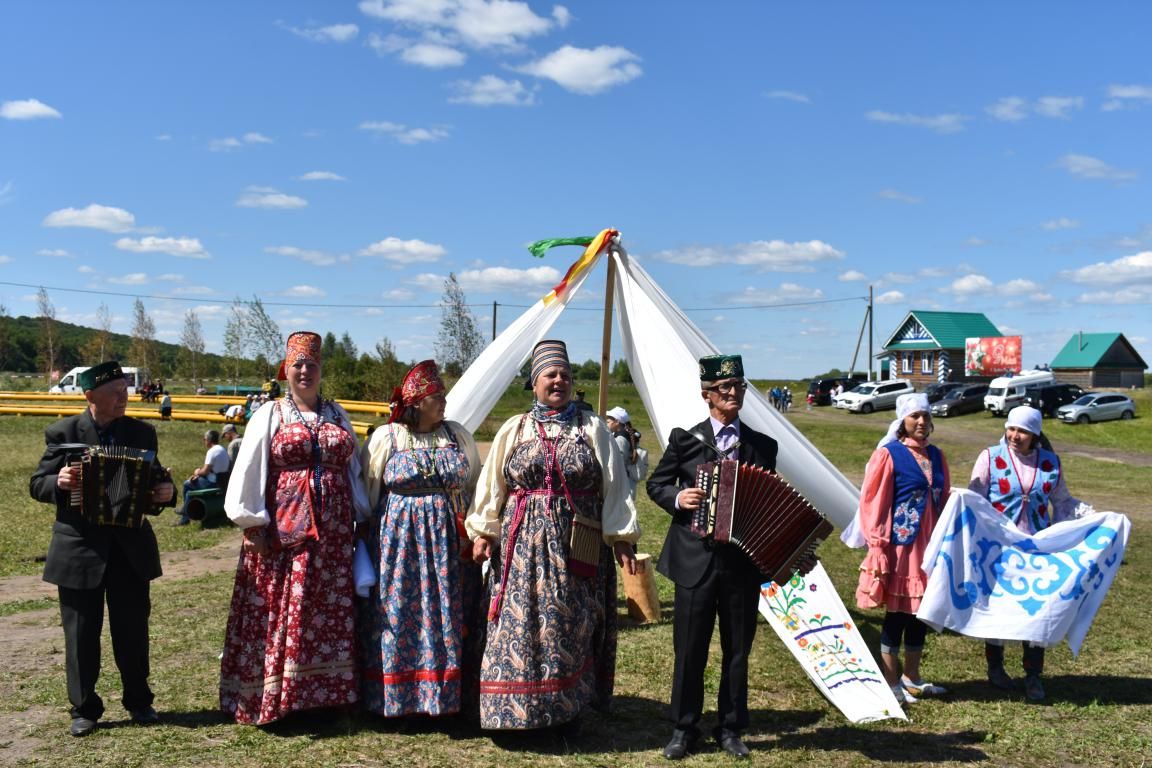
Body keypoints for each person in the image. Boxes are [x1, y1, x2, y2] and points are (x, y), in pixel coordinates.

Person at [467, 339, 639, 732]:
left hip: (577, 542)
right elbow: (493, 484)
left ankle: (566, 713)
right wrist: (483, 531)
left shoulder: (593, 428)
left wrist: (622, 537)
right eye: (550, 374)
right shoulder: (516, 428)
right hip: (520, 545)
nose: (559, 380)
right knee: (519, 622)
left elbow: (615, 486)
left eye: (564, 374)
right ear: (534, 383)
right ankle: (510, 712)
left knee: (571, 622)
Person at [219, 331, 369, 725]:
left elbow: (354, 471)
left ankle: (327, 699)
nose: (305, 371)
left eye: (312, 365)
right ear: (287, 370)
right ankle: (281, 699)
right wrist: (252, 523)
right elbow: (250, 467)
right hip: (285, 536)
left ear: (321, 370)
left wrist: (362, 517)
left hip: (333, 537)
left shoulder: (337, 415)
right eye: (298, 365)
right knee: (285, 608)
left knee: (329, 611)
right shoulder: (272, 414)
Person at [28, 361, 176, 737]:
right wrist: (58, 481)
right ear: (90, 395)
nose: (124, 398)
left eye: (126, 390)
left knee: (132, 631)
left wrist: (165, 494)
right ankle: (84, 708)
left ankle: (140, 701)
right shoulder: (63, 432)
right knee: (80, 635)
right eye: (115, 392)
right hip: (79, 549)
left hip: (130, 550)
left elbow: (153, 481)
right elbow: (37, 483)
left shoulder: (142, 433)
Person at [646, 353, 779, 760]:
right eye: (725, 388)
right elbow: (656, 484)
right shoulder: (686, 440)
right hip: (695, 562)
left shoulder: (762, 446)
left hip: (740, 563)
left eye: (739, 386)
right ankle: (684, 728)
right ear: (707, 395)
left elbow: (770, 500)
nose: (734, 393)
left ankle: (731, 727)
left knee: (738, 649)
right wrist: (677, 498)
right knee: (690, 649)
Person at [359, 360, 482, 718]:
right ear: (416, 403)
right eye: (436, 396)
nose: (443, 401)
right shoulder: (388, 437)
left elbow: (473, 481)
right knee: (399, 614)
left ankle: (446, 699)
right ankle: (399, 700)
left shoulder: (456, 435)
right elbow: (368, 490)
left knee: (449, 611)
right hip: (400, 549)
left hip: (449, 547)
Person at [968, 406, 1085, 702]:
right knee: (998, 607)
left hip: (1037, 548)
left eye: (1022, 431)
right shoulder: (991, 458)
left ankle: (1033, 674)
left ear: (1034, 434)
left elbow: (1062, 502)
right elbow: (975, 499)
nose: (1015, 436)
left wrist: (1083, 522)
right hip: (998, 547)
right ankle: (995, 668)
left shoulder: (1049, 462)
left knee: (1037, 609)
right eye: (1011, 429)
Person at [855, 393, 950, 706]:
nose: (921, 422)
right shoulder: (889, 454)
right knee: (897, 614)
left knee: (920, 615)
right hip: (900, 545)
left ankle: (912, 676)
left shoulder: (937, 456)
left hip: (929, 546)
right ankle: (891, 680)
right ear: (903, 421)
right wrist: (878, 543)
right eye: (915, 417)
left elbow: (944, 498)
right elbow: (874, 501)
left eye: (925, 416)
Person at [175, 430, 230, 525]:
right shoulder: (222, 449)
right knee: (189, 493)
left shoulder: (212, 451)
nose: (204, 441)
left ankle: (185, 512)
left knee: (187, 484)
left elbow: (205, 471)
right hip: (222, 481)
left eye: (204, 439)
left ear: (209, 440)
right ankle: (185, 516)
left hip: (213, 482)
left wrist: (197, 472)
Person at [604, 406, 647, 500]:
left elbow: (617, 462)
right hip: (628, 484)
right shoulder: (629, 434)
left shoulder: (621, 438)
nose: (606, 424)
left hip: (622, 485)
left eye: (608, 422)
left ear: (617, 422)